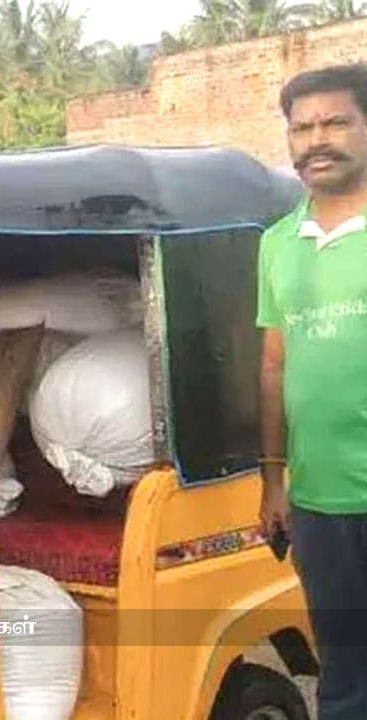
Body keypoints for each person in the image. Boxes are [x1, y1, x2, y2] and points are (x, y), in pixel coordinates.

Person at [258, 63, 367, 720]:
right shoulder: (276, 244)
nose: (315, 140)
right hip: (320, 503)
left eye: (334, 122)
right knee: (345, 673)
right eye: (302, 128)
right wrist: (273, 480)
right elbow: (273, 364)